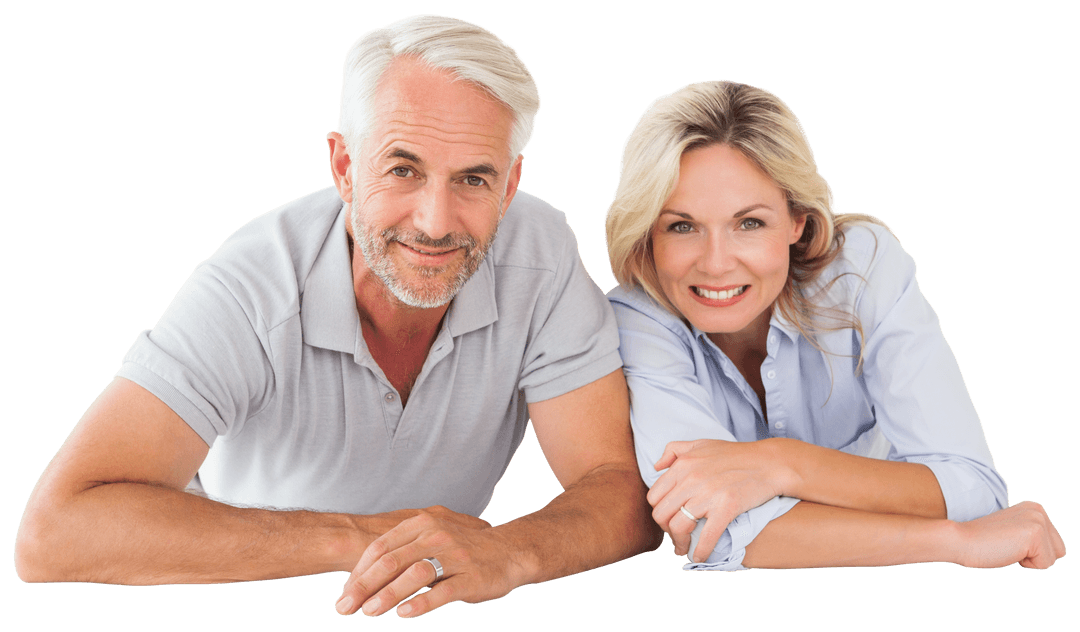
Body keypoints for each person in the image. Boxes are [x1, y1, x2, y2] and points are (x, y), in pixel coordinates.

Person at [14, 14, 660, 616]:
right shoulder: (252, 287)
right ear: (345, 166)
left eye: (473, 180)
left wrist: (513, 553)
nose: (435, 223)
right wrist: (366, 539)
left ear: (511, 186)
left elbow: (622, 490)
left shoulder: (539, 253)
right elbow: (51, 534)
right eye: (403, 169)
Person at [604, 79, 1065, 571]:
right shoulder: (635, 321)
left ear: (797, 221)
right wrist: (954, 543)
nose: (716, 264)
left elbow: (972, 487)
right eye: (682, 226)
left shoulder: (861, 269)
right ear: (648, 235)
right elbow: (708, 529)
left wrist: (781, 464)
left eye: (750, 223)